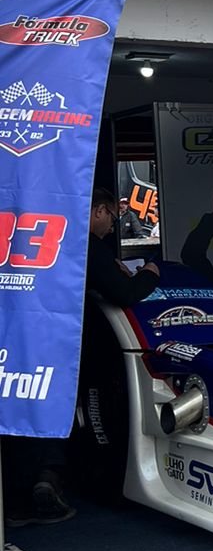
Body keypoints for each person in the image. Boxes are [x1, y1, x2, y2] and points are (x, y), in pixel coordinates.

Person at [4, 192, 161, 525]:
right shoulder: (83, 243)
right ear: (99, 211)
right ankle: (48, 478)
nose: (110, 229)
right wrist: (150, 272)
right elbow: (125, 294)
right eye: (111, 220)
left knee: (22, 410)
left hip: (19, 340)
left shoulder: (32, 233)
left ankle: (21, 494)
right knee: (65, 411)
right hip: (67, 346)